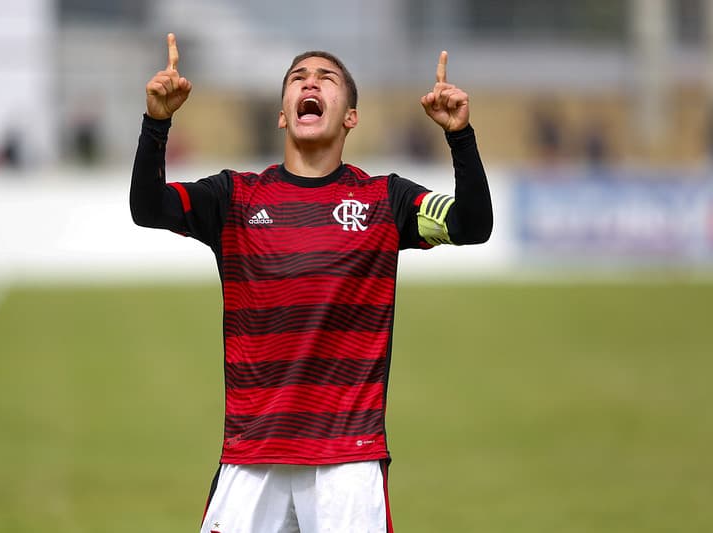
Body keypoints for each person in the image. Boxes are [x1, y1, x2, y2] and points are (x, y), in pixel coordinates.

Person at [130, 33, 492, 533]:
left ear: (350, 116)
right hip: (252, 454)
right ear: (284, 113)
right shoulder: (233, 197)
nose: (310, 82)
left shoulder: (385, 200)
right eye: (298, 77)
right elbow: (147, 209)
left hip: (348, 459)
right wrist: (157, 123)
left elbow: (473, 226)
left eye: (327, 78)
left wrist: (460, 136)